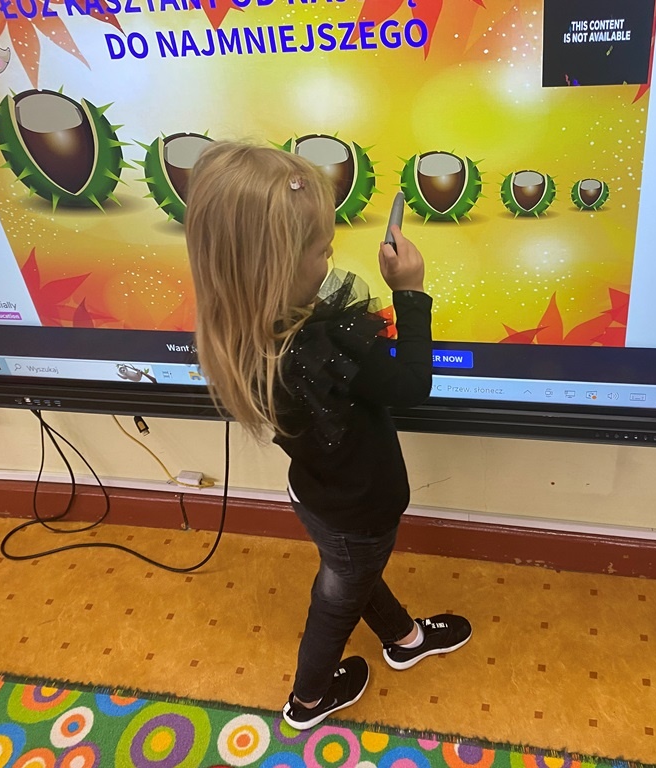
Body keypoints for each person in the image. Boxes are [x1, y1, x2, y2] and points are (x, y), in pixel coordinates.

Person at [184, 141, 472, 730]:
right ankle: (309, 699)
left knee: (353, 573)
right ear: (276, 265)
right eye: (322, 249)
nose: (330, 257)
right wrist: (411, 292)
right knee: (337, 597)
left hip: (315, 493)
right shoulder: (327, 345)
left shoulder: (236, 328)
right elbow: (412, 385)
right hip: (358, 507)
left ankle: (406, 639)